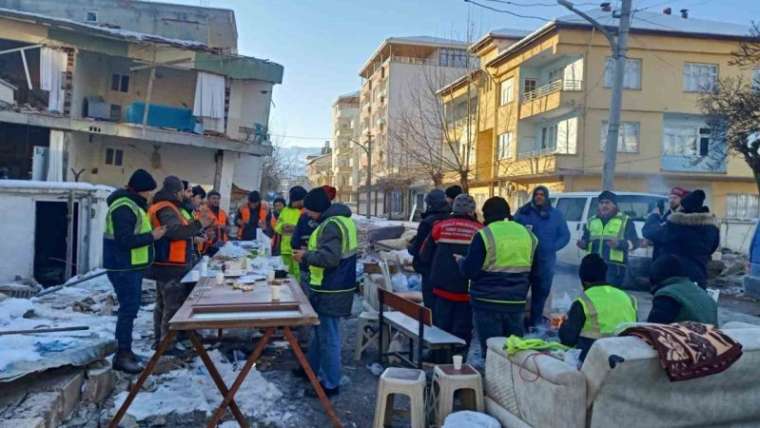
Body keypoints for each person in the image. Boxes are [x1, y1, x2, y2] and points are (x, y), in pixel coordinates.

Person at [292, 187, 358, 397]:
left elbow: (329, 258)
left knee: (328, 336)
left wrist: (305, 256)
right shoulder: (341, 221)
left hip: (332, 288)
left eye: (309, 210)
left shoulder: (331, 225)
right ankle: (311, 370)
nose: (306, 214)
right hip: (334, 286)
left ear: (318, 209)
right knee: (320, 333)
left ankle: (330, 383)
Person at [103, 169, 166, 373]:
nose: (149, 196)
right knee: (128, 310)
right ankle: (122, 355)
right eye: (148, 191)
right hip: (123, 266)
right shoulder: (124, 207)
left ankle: (127, 350)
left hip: (130, 266)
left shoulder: (133, 205)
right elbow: (125, 240)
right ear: (140, 190)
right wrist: (152, 237)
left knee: (131, 309)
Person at [459, 197, 537, 357]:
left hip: (486, 304)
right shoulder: (529, 235)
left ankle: (492, 380)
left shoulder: (484, 235)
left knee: (491, 354)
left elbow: (469, 271)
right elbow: (539, 273)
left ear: (486, 215)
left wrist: (461, 261)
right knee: (514, 353)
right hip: (516, 303)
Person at [147, 176, 212, 353]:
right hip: (169, 263)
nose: (186, 193)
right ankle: (167, 344)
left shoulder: (167, 206)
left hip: (166, 261)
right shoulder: (166, 208)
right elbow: (175, 232)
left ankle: (161, 341)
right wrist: (199, 224)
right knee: (171, 305)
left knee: (163, 304)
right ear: (176, 191)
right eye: (184, 190)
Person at [421, 194, 482, 353]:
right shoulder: (480, 230)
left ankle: (440, 359)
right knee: (462, 329)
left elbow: (424, 254)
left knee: (441, 327)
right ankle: (459, 362)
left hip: (441, 289)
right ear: (472, 210)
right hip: (466, 291)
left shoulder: (440, 226)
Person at [559, 254, 637, 362]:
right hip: (625, 355)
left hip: (593, 359)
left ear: (583, 279)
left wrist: (564, 324)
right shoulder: (627, 297)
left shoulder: (583, 301)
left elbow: (567, 340)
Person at [514, 186, 570, 328]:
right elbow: (512, 231)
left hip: (545, 262)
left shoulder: (555, 215)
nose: (539, 197)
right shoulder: (523, 212)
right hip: (524, 261)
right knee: (519, 295)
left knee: (540, 295)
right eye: (536, 194)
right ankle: (516, 324)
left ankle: (535, 324)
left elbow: (565, 235)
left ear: (546, 197)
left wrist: (553, 247)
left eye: (542, 195)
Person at [643, 190, 719, 288]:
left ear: (684, 207)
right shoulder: (711, 228)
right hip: (699, 277)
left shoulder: (676, 224)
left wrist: (654, 216)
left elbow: (650, 232)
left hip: (673, 278)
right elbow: (712, 248)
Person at [577, 191, 639, 288]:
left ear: (614, 205)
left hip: (614, 268)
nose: (604, 206)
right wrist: (583, 244)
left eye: (607, 203)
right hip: (594, 266)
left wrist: (619, 244)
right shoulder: (591, 221)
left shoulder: (625, 220)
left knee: (609, 297)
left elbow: (635, 243)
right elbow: (586, 239)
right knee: (593, 296)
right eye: (601, 203)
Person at [407, 189, 450, 308]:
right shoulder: (451, 220)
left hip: (429, 270)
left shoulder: (428, 222)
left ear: (431, 204)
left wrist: (410, 247)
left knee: (431, 306)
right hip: (449, 272)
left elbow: (418, 248)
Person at [647, 255, 718, 325]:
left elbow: (653, 328)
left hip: (685, 336)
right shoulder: (705, 294)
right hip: (709, 336)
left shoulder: (667, 294)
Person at [643, 187, 689, 260]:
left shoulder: (682, 219)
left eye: (675, 198)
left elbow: (649, 232)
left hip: (674, 262)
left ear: (682, 200)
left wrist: (654, 216)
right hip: (660, 261)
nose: (671, 200)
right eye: (670, 198)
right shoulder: (665, 216)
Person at [276, 186, 307, 276]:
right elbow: (277, 226)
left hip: (298, 250)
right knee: (286, 273)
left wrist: (295, 229)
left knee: (298, 274)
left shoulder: (305, 211)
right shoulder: (285, 210)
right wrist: (282, 227)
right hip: (285, 249)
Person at [203, 190, 228, 256]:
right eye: (213, 198)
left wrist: (226, 228)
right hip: (207, 246)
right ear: (208, 199)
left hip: (221, 244)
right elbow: (200, 228)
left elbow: (228, 227)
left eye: (218, 199)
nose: (216, 200)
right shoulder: (203, 211)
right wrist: (215, 226)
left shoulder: (222, 212)